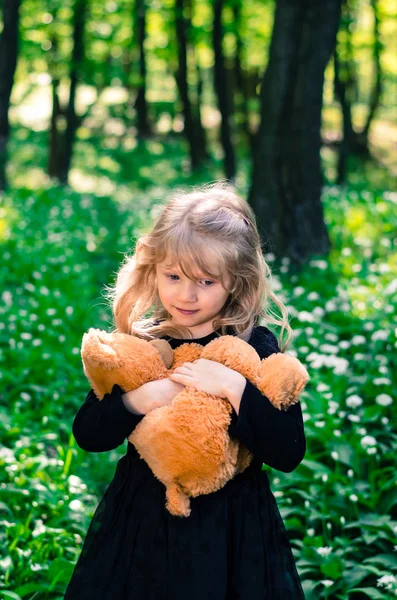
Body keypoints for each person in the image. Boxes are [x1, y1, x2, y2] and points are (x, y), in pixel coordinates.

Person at [64, 181, 307, 600]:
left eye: (206, 281)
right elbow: (88, 433)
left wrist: (234, 387)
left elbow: (288, 451)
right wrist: (140, 399)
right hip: (144, 519)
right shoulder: (144, 344)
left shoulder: (253, 345)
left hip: (233, 526)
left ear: (237, 281)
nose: (186, 294)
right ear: (153, 268)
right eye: (173, 276)